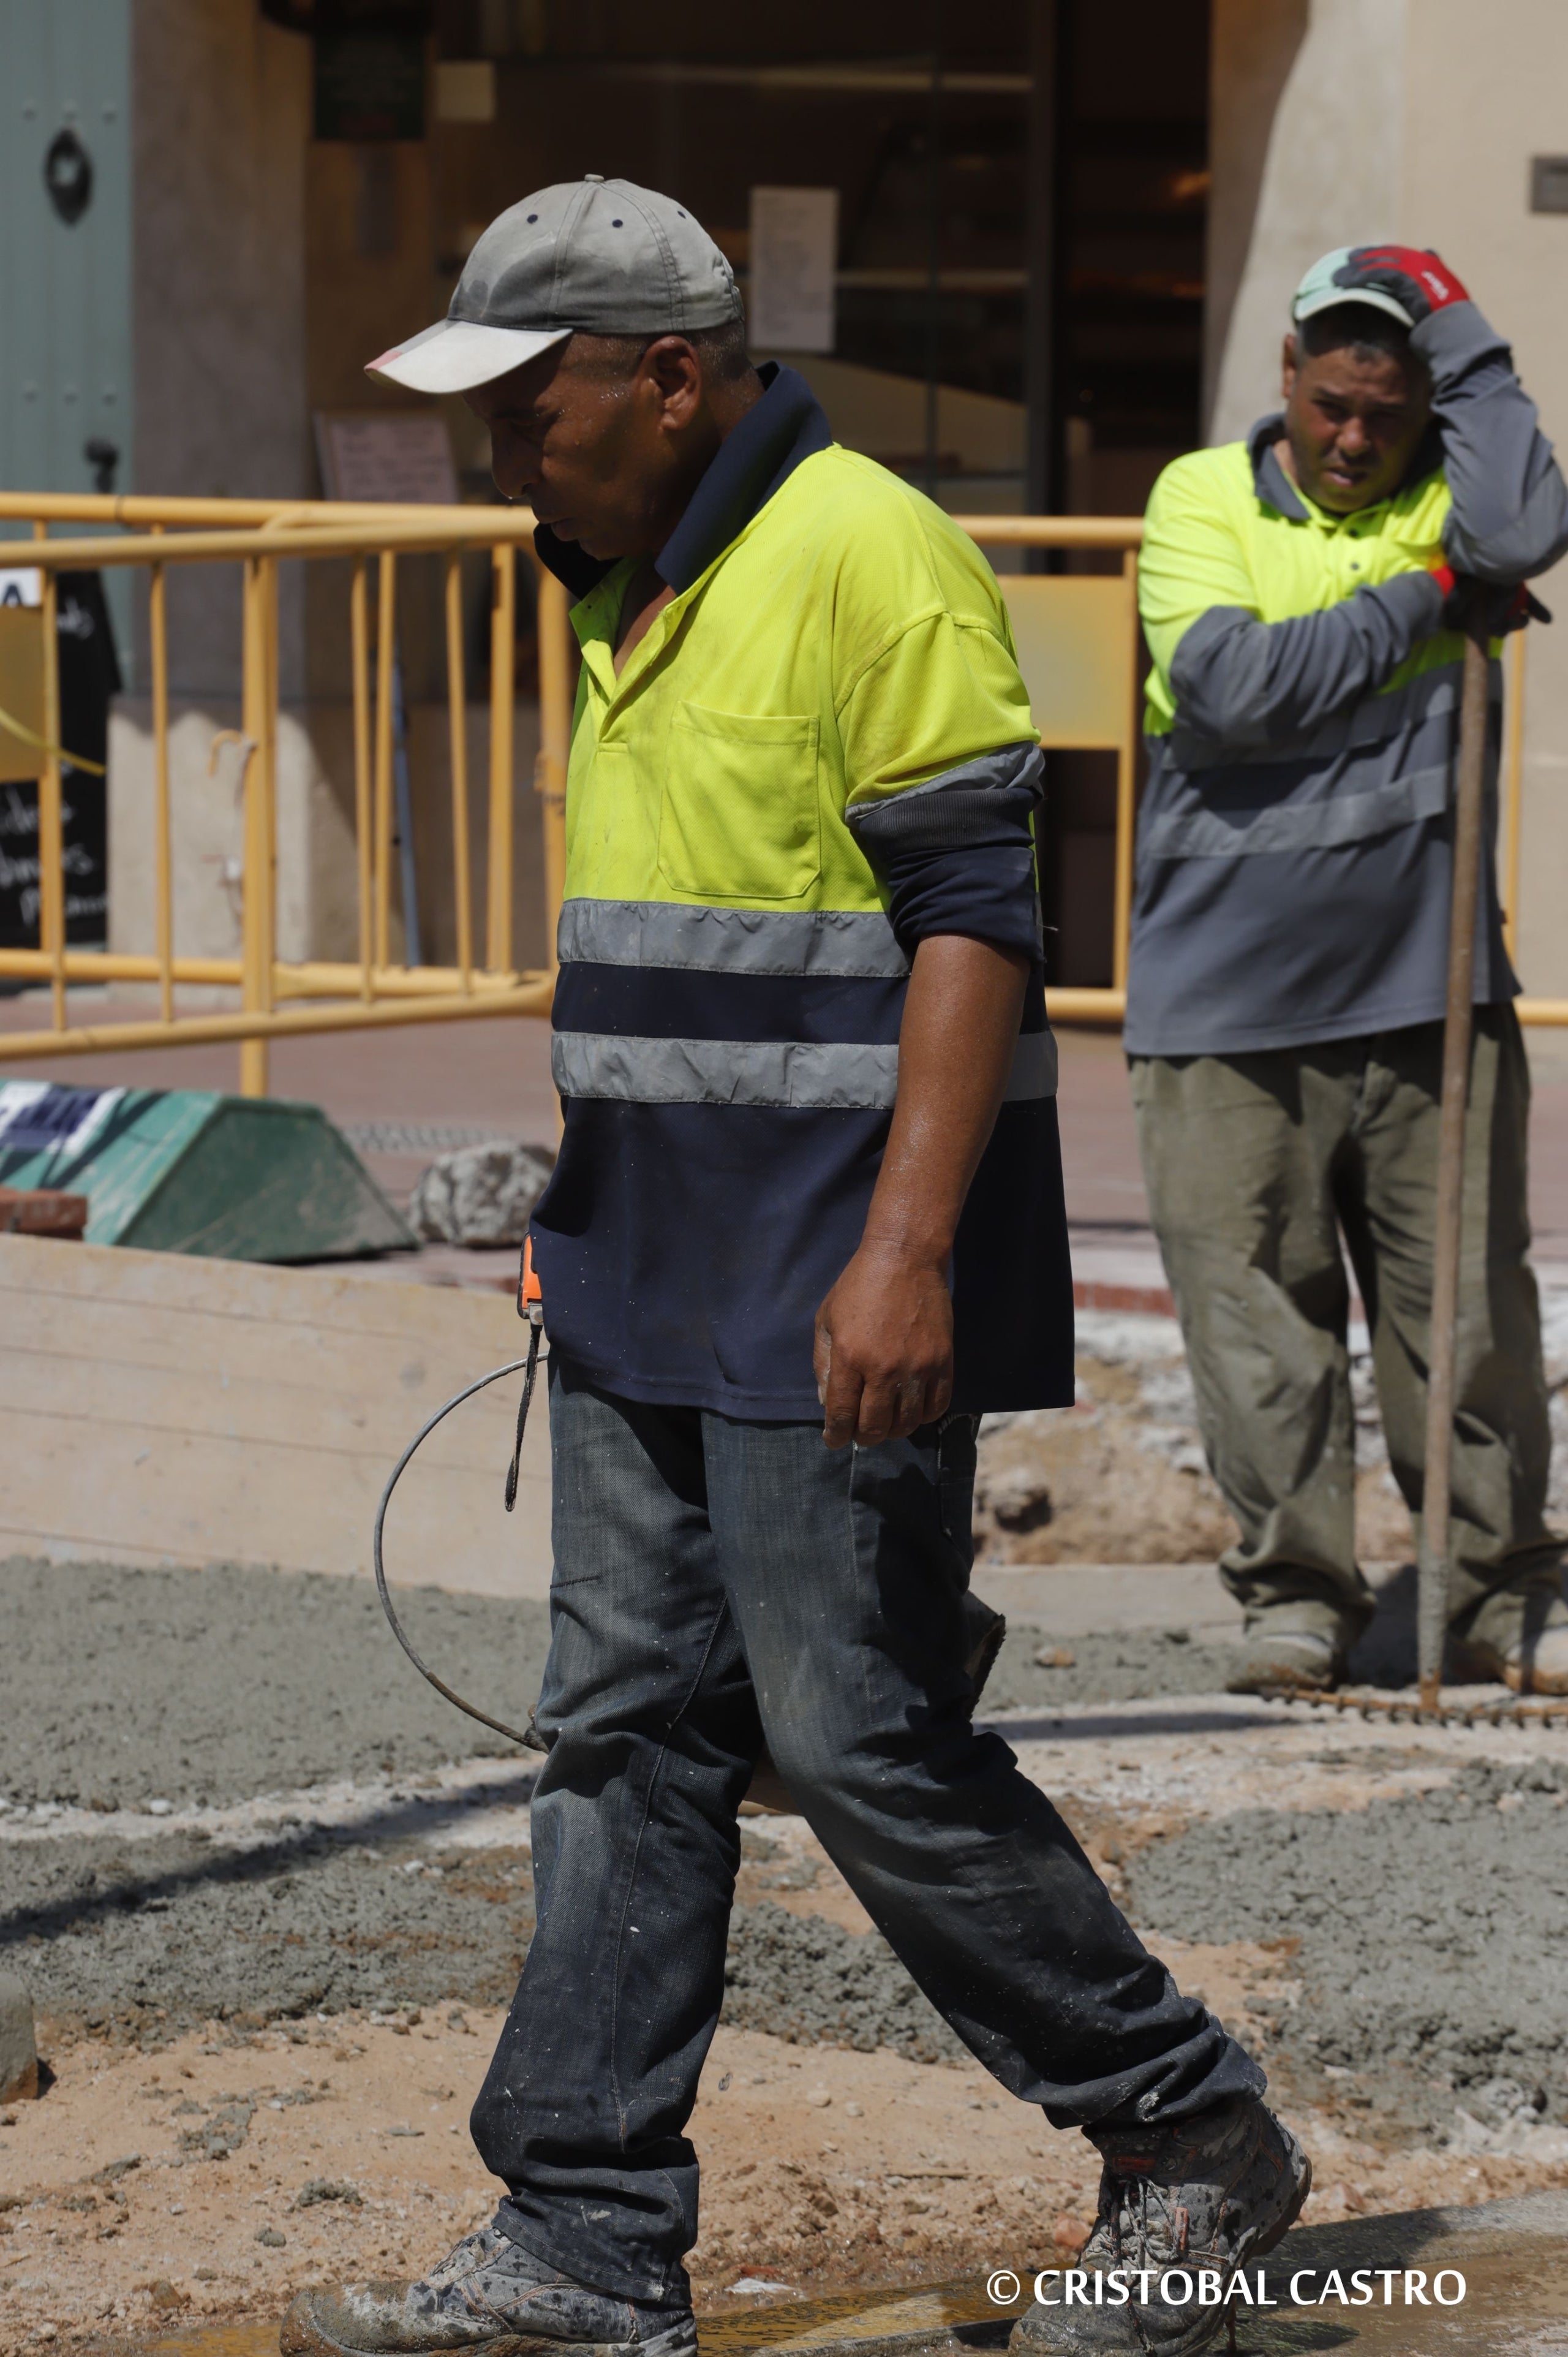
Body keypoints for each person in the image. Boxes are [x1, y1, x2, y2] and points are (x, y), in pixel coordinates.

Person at [284, 178, 1306, 2357]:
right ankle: (578, 2229)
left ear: (672, 374)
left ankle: (1189, 2133)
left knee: (859, 1738)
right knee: (621, 1740)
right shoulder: (624, 576)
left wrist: (907, 1257)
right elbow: (687, 956)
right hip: (648, 1268)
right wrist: (586, 1219)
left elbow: (975, 928)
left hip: (831, 1284)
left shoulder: (869, 556)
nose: (502, 448)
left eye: (530, 400)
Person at [1127, 246, 1568, 1700]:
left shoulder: (1454, 491)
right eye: (1330, 405)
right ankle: (1298, 1598)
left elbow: (1530, 523)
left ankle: (1499, 1594)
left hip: (1424, 992)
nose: (1355, 439)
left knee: (1469, 1324)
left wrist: (1471, 345)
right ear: (1285, 385)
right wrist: (1432, 594)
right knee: (1255, 1321)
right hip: (1219, 1002)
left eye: (1386, 410)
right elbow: (1235, 688)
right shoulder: (1199, 498)